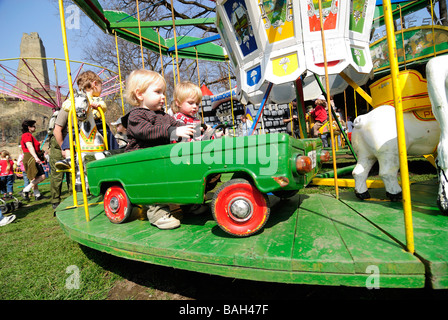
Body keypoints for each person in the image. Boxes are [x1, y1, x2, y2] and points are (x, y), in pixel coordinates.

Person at [122, 69, 194, 229]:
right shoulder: (136, 116)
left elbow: (177, 124)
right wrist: (171, 132)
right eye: (158, 92)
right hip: (141, 162)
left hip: (159, 159)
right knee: (154, 182)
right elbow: (146, 131)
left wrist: (196, 127)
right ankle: (157, 212)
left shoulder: (163, 115)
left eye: (164, 92)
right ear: (140, 94)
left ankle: (189, 203)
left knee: (182, 174)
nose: (163, 96)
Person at [55, 70, 118, 170]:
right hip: (81, 124)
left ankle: (114, 151)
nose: (101, 90)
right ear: (95, 84)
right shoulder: (76, 98)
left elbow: (103, 106)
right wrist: (74, 106)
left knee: (106, 132)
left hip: (97, 124)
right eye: (101, 87)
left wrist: (97, 106)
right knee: (71, 134)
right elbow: (66, 105)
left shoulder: (97, 99)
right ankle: (69, 159)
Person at [19, 120, 47, 201]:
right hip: (31, 158)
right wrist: (36, 157)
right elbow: (29, 146)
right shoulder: (27, 135)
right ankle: (25, 190)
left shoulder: (28, 135)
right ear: (29, 127)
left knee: (35, 177)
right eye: (33, 126)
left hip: (30, 157)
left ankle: (37, 195)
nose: (35, 127)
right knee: (42, 176)